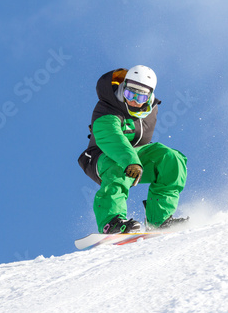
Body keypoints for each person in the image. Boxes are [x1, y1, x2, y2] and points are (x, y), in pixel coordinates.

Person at [78, 65, 188, 234]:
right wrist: (130, 161)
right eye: (130, 94)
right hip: (103, 156)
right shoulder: (107, 106)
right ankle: (111, 222)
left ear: (150, 96)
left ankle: (159, 219)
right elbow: (112, 137)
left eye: (141, 96)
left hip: (136, 155)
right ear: (124, 88)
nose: (135, 101)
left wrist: (135, 160)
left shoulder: (151, 110)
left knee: (171, 159)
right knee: (117, 166)